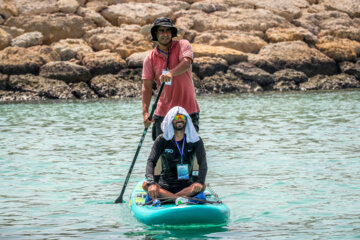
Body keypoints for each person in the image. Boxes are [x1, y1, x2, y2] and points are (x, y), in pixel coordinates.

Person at [142, 17, 200, 141]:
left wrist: (171, 73)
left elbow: (186, 63)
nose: (165, 34)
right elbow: (146, 88)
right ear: (155, 34)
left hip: (187, 111)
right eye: (161, 31)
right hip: (163, 113)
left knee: (188, 151)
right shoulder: (150, 59)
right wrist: (145, 113)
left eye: (168, 31)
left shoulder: (182, 45)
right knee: (161, 153)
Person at [142, 106, 207, 201]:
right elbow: (151, 161)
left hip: (186, 186)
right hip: (165, 185)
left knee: (202, 185)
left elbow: (203, 163)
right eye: (176, 117)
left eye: (182, 117)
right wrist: (151, 183)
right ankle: (180, 199)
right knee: (145, 185)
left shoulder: (195, 140)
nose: (179, 120)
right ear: (171, 120)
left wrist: (199, 182)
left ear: (186, 120)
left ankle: (170, 198)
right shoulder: (161, 140)